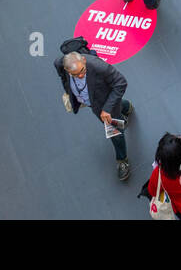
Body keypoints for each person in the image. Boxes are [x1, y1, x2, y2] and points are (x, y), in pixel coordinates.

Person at [56, 48, 134, 181]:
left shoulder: (99, 67)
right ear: (67, 70)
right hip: (94, 100)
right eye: (75, 74)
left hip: (105, 107)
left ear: (84, 60)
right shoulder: (59, 63)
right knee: (119, 106)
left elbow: (121, 83)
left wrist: (107, 109)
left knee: (115, 133)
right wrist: (69, 90)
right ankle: (126, 107)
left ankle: (122, 160)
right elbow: (63, 77)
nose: (80, 76)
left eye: (82, 71)